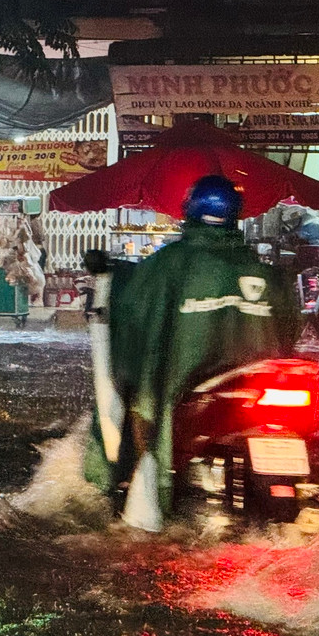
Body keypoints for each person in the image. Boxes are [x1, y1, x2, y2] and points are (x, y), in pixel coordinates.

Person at [108, 174, 300, 526]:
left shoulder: (166, 266)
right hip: (258, 387)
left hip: (187, 386)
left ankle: (140, 481)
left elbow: (134, 325)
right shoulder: (264, 272)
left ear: (191, 210)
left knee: (143, 404)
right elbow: (289, 330)